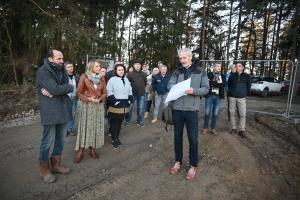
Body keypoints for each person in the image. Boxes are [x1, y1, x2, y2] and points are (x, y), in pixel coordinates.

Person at [167, 48, 209, 180]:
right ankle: (178, 161)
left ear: (191, 57)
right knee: (177, 138)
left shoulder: (201, 71)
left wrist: (194, 90)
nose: (182, 60)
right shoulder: (177, 71)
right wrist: (175, 88)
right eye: (180, 58)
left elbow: (206, 89)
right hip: (177, 109)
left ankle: (193, 165)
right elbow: (169, 85)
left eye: (184, 58)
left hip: (192, 110)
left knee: (193, 139)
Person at [36, 49, 73, 183]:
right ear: (50, 59)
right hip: (50, 111)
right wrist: (63, 88)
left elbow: (62, 87)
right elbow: (57, 88)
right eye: (59, 59)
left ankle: (56, 165)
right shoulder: (43, 71)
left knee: (61, 138)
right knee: (47, 141)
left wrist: (59, 89)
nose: (62, 61)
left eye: (62, 59)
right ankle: (45, 170)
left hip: (63, 108)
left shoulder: (62, 69)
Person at [74, 59, 107, 163]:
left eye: (100, 66)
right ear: (91, 67)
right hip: (87, 105)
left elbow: (105, 92)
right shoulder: (84, 76)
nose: (99, 68)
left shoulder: (102, 78)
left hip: (98, 106)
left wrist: (101, 98)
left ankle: (92, 149)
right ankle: (81, 151)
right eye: (97, 66)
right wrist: (88, 99)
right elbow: (78, 92)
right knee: (85, 128)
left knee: (95, 127)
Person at [106, 64, 133, 149]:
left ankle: (117, 137)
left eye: (122, 70)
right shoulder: (112, 80)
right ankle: (113, 139)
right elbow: (109, 92)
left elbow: (130, 91)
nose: (121, 71)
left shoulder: (126, 79)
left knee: (120, 122)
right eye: (119, 70)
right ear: (115, 71)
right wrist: (115, 101)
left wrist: (130, 100)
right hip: (116, 104)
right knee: (114, 123)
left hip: (125, 104)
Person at [228, 62, 251, 138]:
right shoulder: (231, 76)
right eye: (236, 66)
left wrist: (244, 93)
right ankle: (234, 128)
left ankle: (242, 130)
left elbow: (248, 86)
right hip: (232, 97)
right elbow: (229, 85)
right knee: (232, 112)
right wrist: (231, 92)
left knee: (243, 114)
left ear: (243, 68)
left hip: (241, 97)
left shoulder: (247, 76)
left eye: (239, 66)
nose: (237, 67)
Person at [202, 62, 226, 135]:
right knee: (207, 112)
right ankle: (205, 128)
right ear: (214, 67)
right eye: (218, 66)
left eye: (220, 66)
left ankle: (213, 129)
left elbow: (224, 84)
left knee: (215, 113)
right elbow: (207, 83)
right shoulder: (209, 74)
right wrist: (217, 82)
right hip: (209, 95)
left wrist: (212, 83)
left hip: (218, 96)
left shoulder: (222, 75)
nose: (219, 67)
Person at [125, 60, 147, 127]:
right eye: (136, 64)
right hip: (132, 94)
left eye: (139, 64)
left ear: (140, 66)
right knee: (130, 108)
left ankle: (139, 121)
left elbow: (145, 83)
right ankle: (128, 121)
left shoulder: (143, 74)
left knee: (140, 108)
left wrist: (142, 89)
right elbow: (127, 84)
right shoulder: (130, 74)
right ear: (134, 66)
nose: (137, 65)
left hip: (141, 94)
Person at [65, 61, 80, 136]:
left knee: (72, 114)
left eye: (71, 66)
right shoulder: (63, 76)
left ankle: (69, 129)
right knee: (65, 114)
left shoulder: (77, 76)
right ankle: (63, 130)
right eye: (68, 67)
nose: (71, 68)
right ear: (65, 68)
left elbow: (80, 86)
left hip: (74, 98)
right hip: (65, 98)